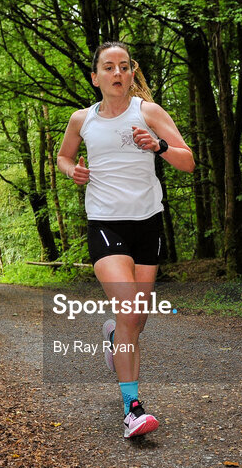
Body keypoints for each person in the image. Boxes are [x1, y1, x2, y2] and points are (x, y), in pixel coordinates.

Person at [57, 41, 195, 439]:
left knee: (136, 320)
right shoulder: (81, 119)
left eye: (124, 66)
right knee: (130, 310)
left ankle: (115, 336)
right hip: (106, 223)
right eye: (108, 67)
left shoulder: (148, 112)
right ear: (95, 77)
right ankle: (132, 409)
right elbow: (64, 157)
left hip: (147, 224)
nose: (117, 73)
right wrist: (72, 172)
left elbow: (188, 161)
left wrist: (159, 145)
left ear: (132, 73)